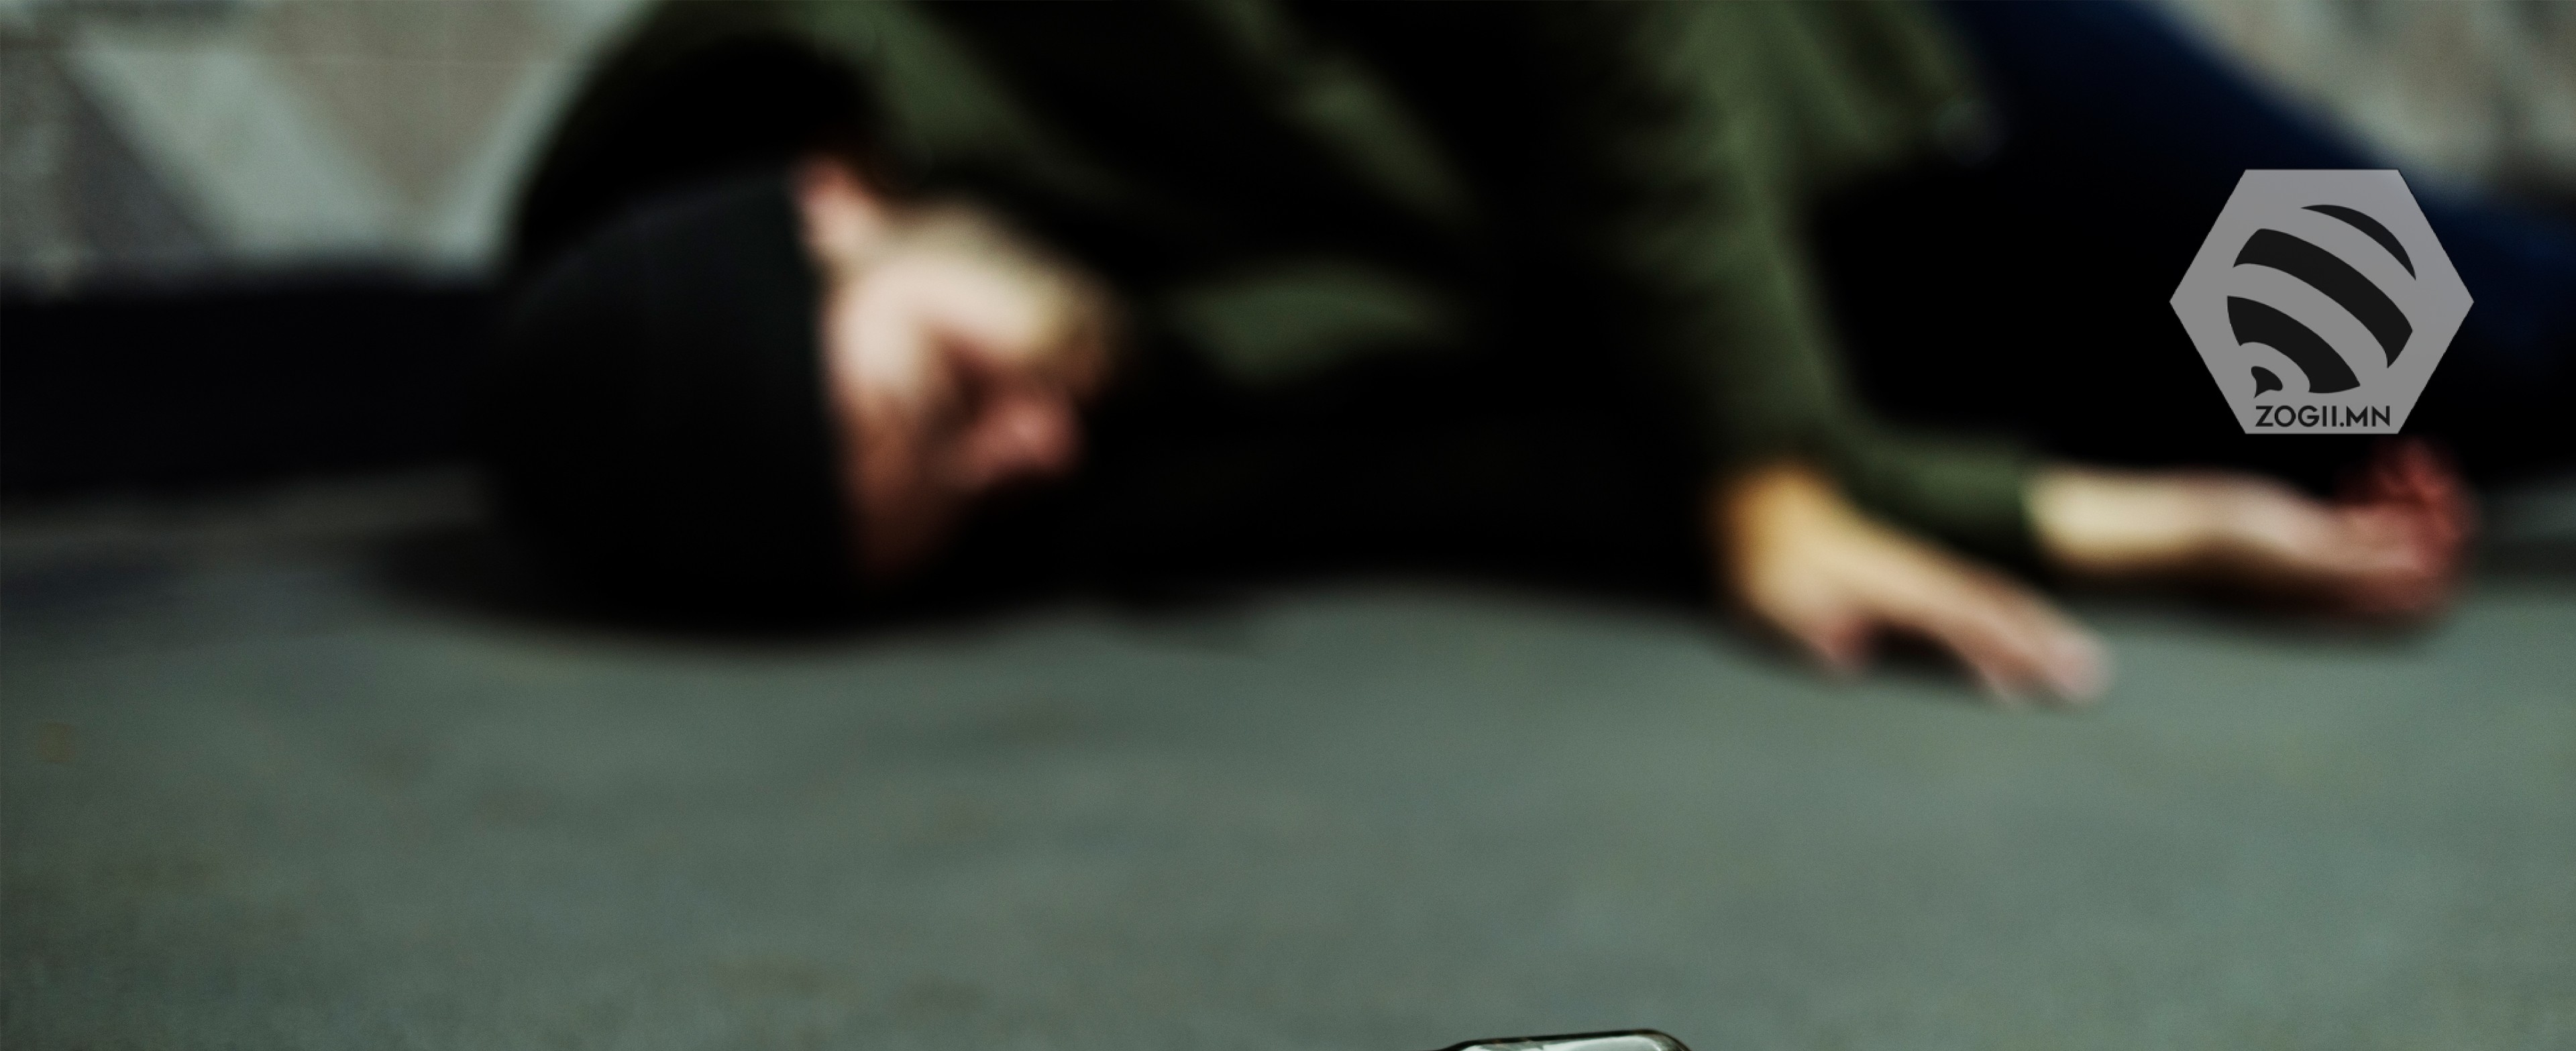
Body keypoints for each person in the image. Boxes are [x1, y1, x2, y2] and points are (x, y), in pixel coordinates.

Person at [482, 0, 2571, 700]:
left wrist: (1771, 468)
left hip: (1889, 94)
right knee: (2337, 451)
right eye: (956, 506)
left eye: (940, 396)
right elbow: (1515, 468)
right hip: (1823, 353)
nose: (1023, 450)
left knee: (2485, 342)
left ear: (828, 198)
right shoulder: (1057, 450)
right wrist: (2104, 521)